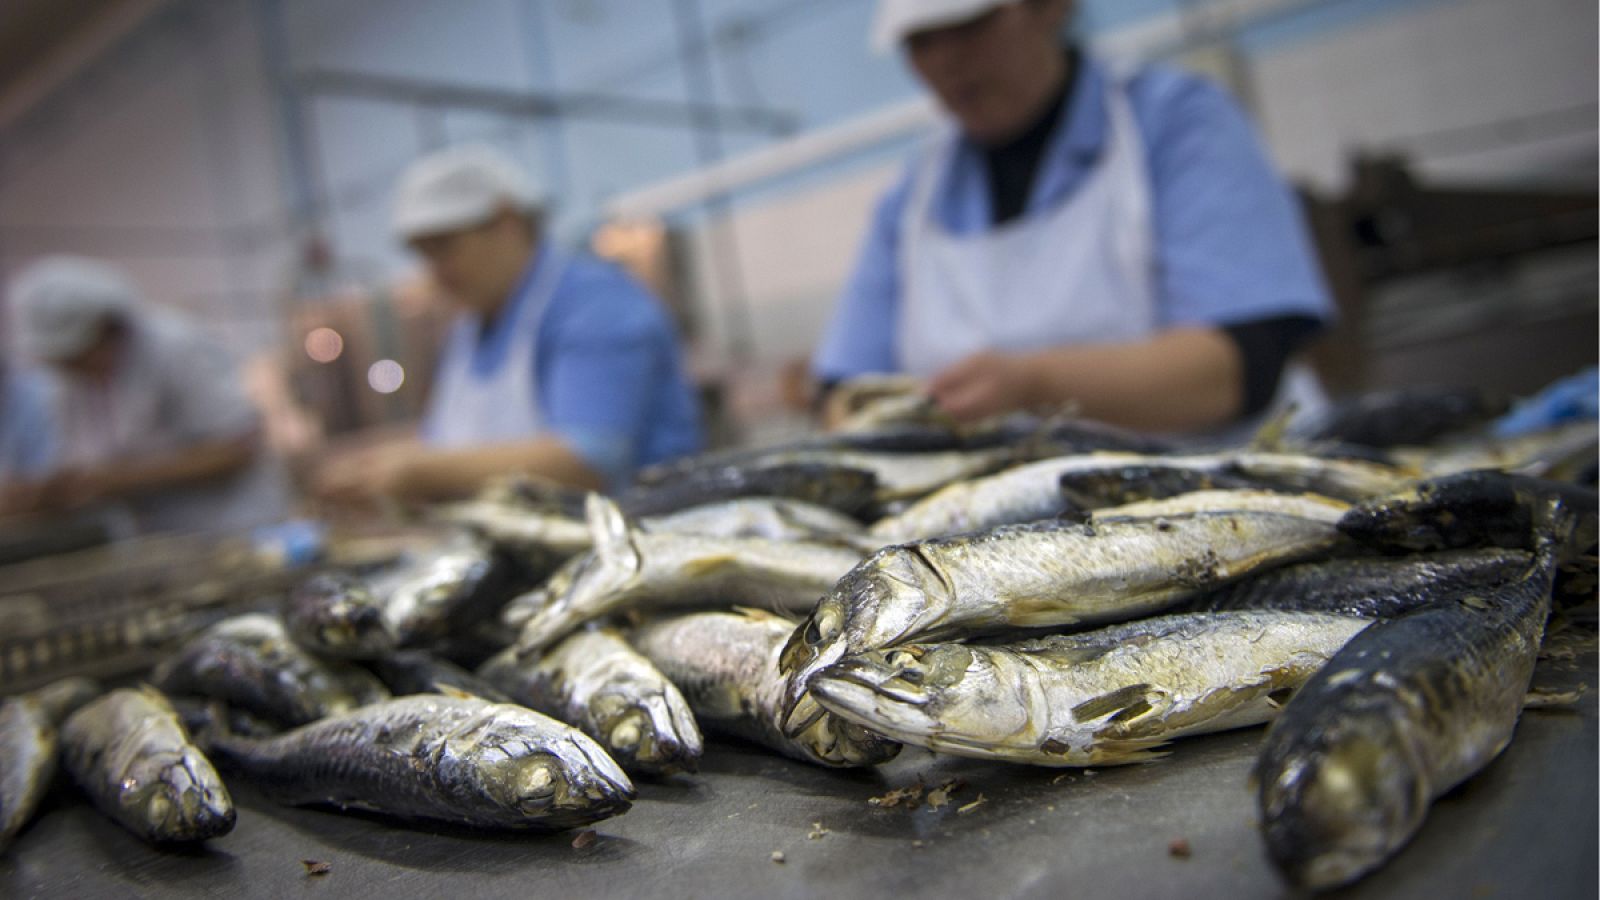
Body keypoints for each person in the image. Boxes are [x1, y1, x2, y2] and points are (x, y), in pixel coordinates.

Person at [813, 0, 1333, 433]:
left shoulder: (1174, 123)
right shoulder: (912, 198)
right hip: (1018, 536)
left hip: (1237, 500)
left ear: (1052, 7)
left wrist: (1033, 389)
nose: (945, 60)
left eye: (969, 26)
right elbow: (841, 392)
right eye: (920, 42)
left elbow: (1243, 367)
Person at [315, 145, 702, 504]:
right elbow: (450, 445)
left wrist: (419, 471)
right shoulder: (469, 331)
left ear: (506, 223)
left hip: (632, 549)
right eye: (423, 255)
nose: (435, 272)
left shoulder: (596, 304)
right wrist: (373, 463)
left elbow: (589, 461)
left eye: (444, 248)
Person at [8, 256, 286, 533]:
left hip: (232, 526)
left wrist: (118, 479)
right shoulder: (69, 385)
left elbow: (239, 447)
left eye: (77, 356)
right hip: (157, 537)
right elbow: (77, 461)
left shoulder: (175, 346)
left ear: (107, 328)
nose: (72, 368)